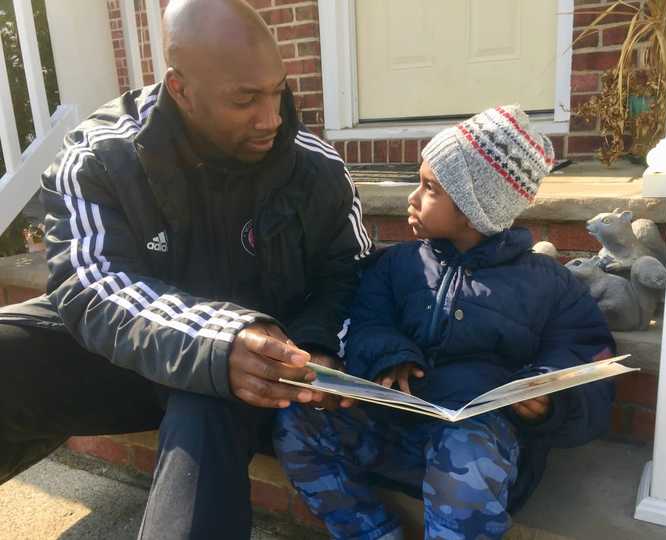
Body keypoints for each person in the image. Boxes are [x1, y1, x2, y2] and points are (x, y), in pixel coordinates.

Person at [0, 0, 370, 538]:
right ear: (179, 88)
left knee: (210, 393)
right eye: (245, 100)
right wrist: (217, 339)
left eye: (278, 91)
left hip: (257, 375)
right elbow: (89, 284)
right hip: (127, 360)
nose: (271, 118)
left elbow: (353, 272)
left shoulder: (316, 169)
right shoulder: (102, 157)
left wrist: (314, 345)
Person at [274, 105, 616, 540]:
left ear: (474, 208)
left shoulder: (550, 286)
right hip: (391, 428)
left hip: (476, 457)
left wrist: (547, 399)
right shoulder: (397, 265)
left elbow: (585, 359)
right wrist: (387, 356)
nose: (412, 198)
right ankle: (372, 532)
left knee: (467, 455)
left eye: (429, 187)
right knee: (296, 422)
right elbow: (366, 319)